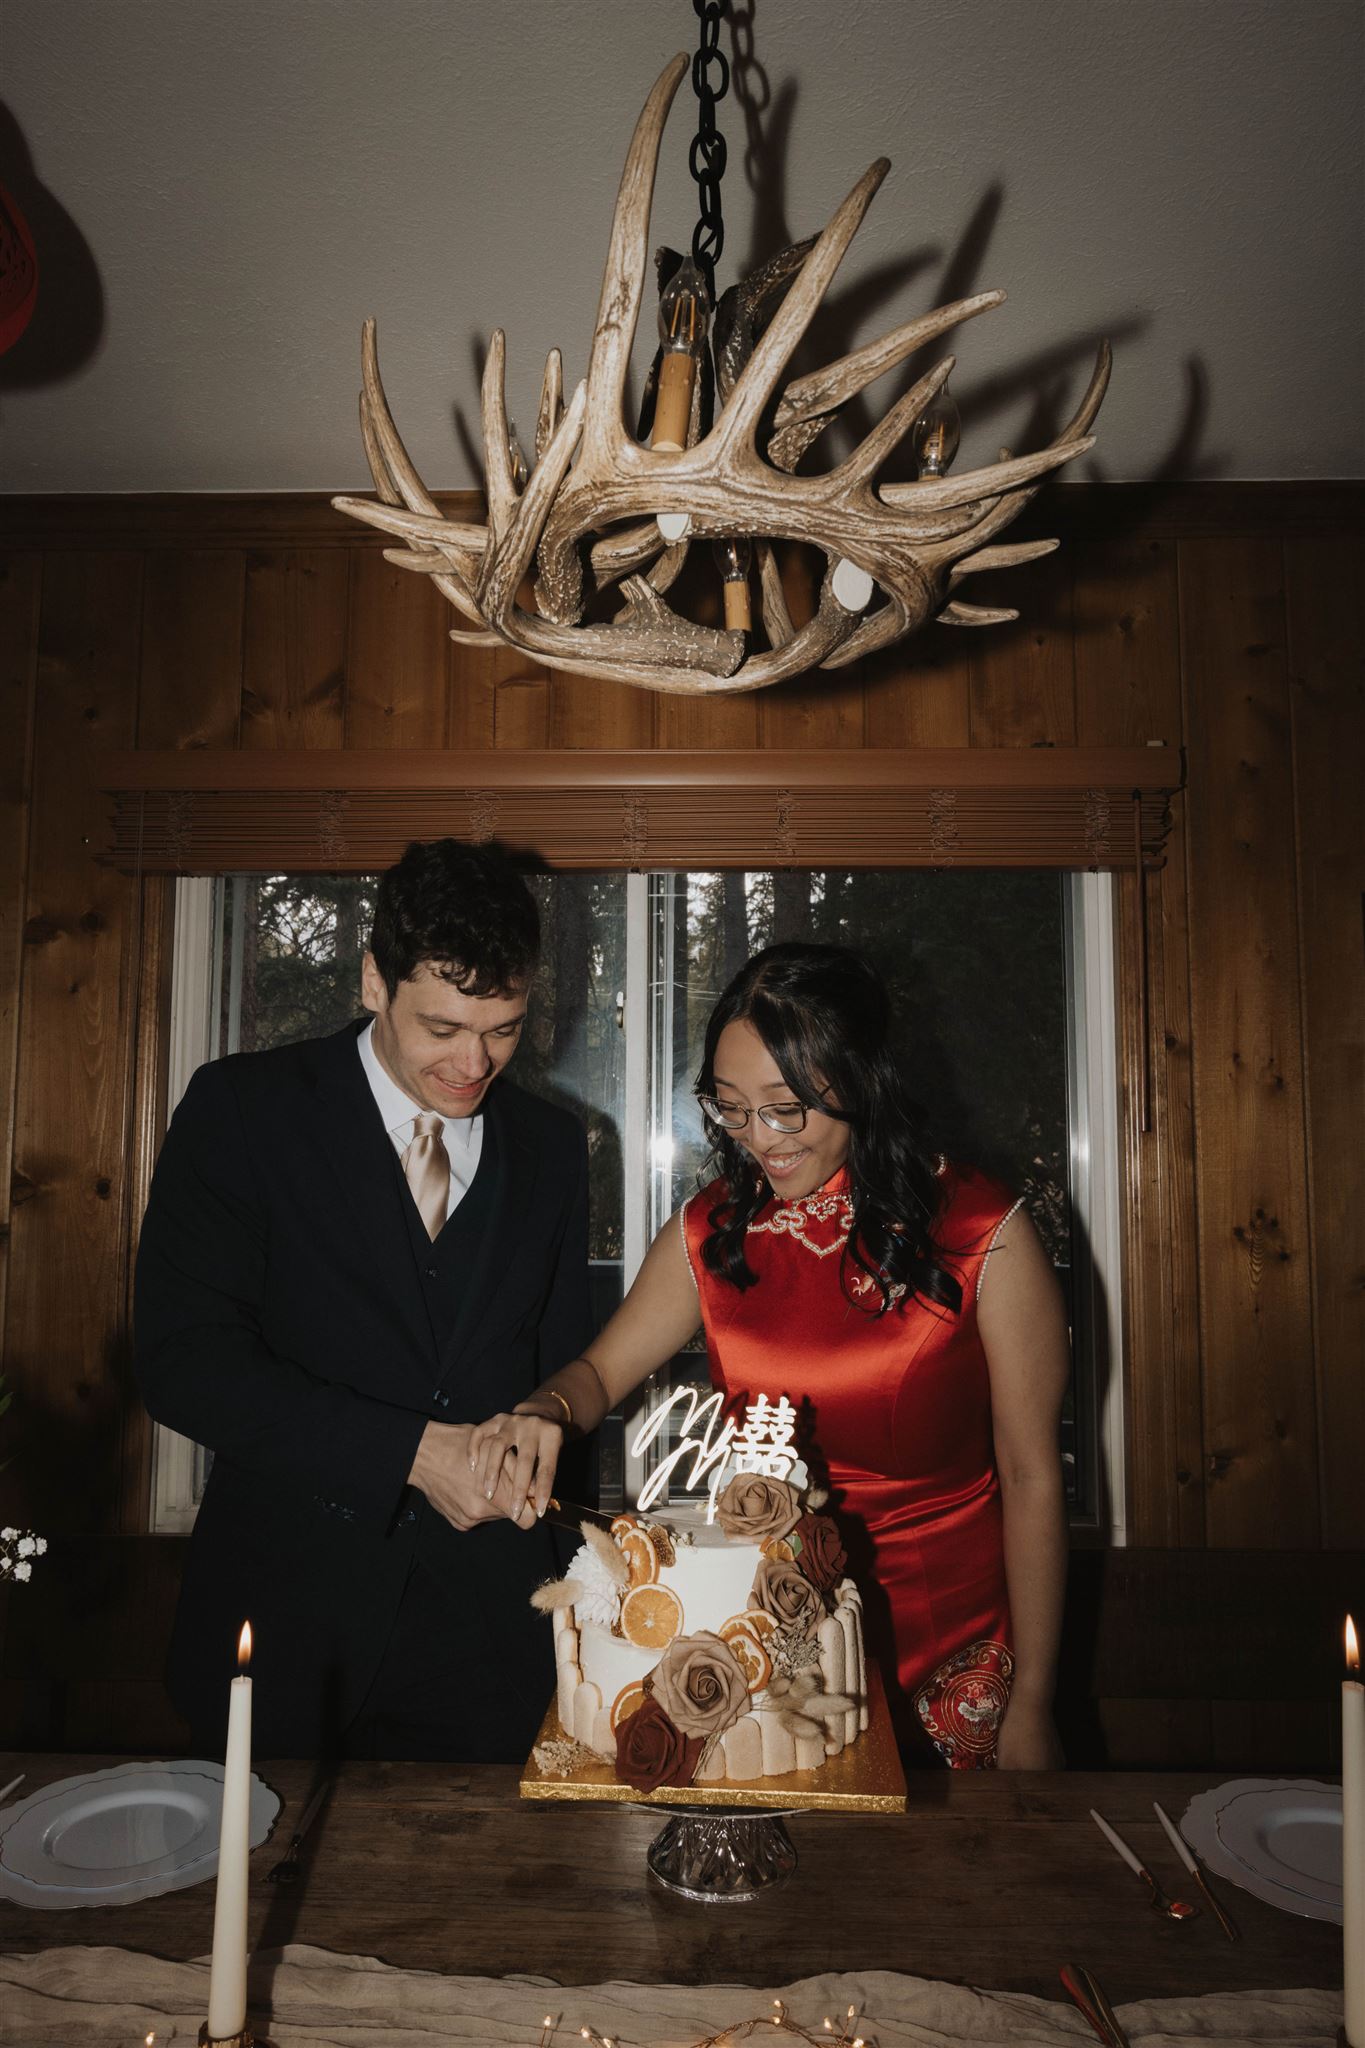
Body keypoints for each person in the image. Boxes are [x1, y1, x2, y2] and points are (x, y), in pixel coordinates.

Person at [472, 942, 1071, 1770]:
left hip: (953, 1647)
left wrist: (1033, 1698)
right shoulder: (712, 1231)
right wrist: (544, 1409)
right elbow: (597, 1374)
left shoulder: (981, 1231)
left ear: (859, 1081)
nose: (758, 1139)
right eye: (730, 1108)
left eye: (785, 1108)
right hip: (774, 1649)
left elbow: (1033, 1476)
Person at [136, 839, 592, 1761]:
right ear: (373, 981)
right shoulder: (241, 1111)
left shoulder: (552, 1148)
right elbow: (184, 1365)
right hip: (281, 1620)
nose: (474, 1063)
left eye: (502, 1029)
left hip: (494, 1642)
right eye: (441, 1028)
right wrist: (412, 1455)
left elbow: (556, 1361)